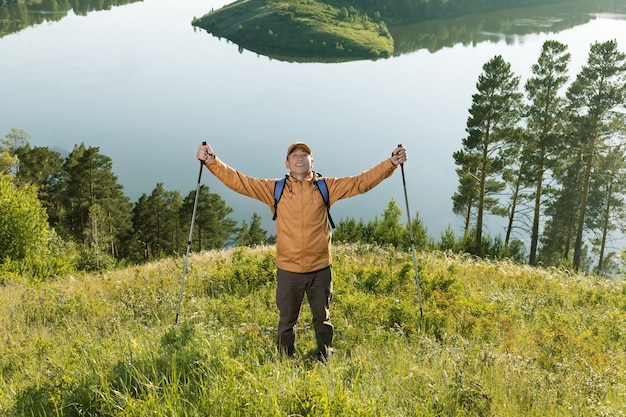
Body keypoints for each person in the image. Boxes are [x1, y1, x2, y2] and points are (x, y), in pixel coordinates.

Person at [197, 142, 407, 360]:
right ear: (287, 163)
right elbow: (240, 182)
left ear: (312, 161)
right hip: (289, 268)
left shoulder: (325, 187)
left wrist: (391, 163)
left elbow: (360, 182)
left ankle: (325, 355)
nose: (299, 158)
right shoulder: (275, 189)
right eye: (294, 155)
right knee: (287, 319)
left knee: (323, 318)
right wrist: (212, 161)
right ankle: (286, 359)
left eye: (304, 155)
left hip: (320, 268)